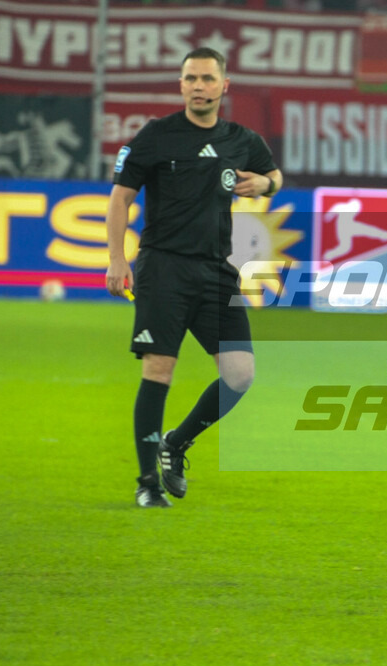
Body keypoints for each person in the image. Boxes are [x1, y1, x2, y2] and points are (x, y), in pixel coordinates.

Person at [105, 47, 283, 508]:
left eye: (207, 78)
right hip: (163, 267)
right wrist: (116, 260)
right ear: (180, 86)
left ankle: (176, 443)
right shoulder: (156, 136)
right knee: (159, 369)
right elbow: (120, 197)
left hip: (216, 273)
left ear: (225, 86)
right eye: (190, 78)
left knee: (240, 375)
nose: (198, 86)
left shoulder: (240, 139)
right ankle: (147, 484)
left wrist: (266, 184)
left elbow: (274, 174)